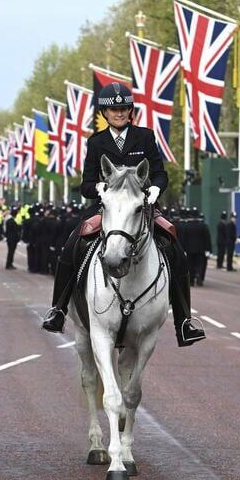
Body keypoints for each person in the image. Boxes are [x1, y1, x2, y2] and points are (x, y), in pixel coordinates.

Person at [40, 82, 205, 347]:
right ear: (104, 113)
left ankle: (183, 322)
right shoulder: (96, 142)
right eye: (114, 109)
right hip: (105, 208)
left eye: (124, 108)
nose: (119, 113)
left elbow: (161, 173)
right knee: (72, 245)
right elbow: (85, 184)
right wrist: (99, 188)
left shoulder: (146, 137)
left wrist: (154, 189)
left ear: (131, 111)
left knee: (175, 247)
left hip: (141, 207)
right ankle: (58, 308)